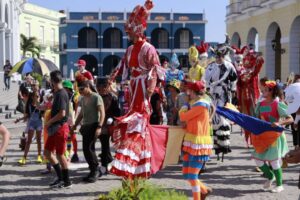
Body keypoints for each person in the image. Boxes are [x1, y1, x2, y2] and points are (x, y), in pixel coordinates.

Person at [109, 0, 168, 179]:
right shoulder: (129, 49)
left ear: (138, 31)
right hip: (134, 88)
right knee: (133, 119)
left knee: (139, 119)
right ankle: (134, 161)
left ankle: (135, 158)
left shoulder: (149, 48)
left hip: (142, 88)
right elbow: (122, 66)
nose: (128, 34)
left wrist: (151, 88)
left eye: (130, 31)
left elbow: (156, 69)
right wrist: (113, 78)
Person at [253, 80, 293, 193]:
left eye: (266, 90)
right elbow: (255, 118)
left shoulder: (278, 104)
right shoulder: (260, 104)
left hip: (275, 136)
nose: (263, 91)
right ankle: (270, 176)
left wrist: (279, 123)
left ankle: (280, 185)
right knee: (258, 160)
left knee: (274, 161)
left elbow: (290, 118)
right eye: (263, 90)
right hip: (262, 136)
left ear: (272, 91)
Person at [179, 80, 213, 200]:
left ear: (193, 91)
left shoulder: (201, 105)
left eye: (189, 90)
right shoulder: (196, 103)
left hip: (198, 144)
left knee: (192, 176)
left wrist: (183, 108)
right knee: (186, 174)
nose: (187, 93)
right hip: (191, 142)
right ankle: (203, 190)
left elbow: (183, 116)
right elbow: (193, 121)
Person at [205, 47, 237, 161]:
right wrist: (208, 89)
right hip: (213, 94)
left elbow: (234, 79)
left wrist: (232, 91)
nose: (218, 58)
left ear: (223, 56)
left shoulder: (229, 66)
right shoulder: (211, 66)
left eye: (220, 56)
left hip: (224, 94)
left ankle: (224, 143)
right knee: (214, 117)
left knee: (223, 117)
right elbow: (206, 79)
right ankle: (216, 144)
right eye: (217, 56)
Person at [71, 79, 105, 183]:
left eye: (82, 89)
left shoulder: (96, 97)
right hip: (85, 127)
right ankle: (92, 170)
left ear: (87, 86)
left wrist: (99, 127)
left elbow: (102, 113)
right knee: (86, 150)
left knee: (90, 149)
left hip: (94, 125)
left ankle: (96, 171)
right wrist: (74, 125)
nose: (80, 91)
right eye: (79, 89)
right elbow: (81, 114)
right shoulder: (82, 98)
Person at [44, 70, 71, 188]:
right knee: (47, 152)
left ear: (54, 81)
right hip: (55, 128)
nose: (49, 82)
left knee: (60, 155)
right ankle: (60, 178)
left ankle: (66, 181)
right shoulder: (58, 93)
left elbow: (62, 113)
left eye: (50, 80)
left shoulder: (61, 93)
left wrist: (49, 122)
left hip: (60, 128)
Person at [96, 77, 121, 175]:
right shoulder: (96, 97)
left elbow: (117, 112)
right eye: (98, 88)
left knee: (116, 146)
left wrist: (113, 119)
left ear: (107, 87)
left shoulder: (113, 98)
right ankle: (104, 166)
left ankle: (114, 163)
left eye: (103, 88)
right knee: (104, 146)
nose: (101, 90)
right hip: (101, 125)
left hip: (111, 125)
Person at [15, 89, 43, 165]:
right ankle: (24, 158)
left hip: (39, 123)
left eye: (38, 96)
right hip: (31, 123)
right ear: (33, 97)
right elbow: (27, 115)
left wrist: (38, 102)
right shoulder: (29, 105)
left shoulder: (41, 104)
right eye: (36, 96)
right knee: (28, 141)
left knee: (39, 140)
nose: (38, 97)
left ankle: (39, 156)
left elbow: (42, 111)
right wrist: (19, 119)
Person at [62, 80, 79, 163]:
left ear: (68, 88)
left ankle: (75, 153)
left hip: (71, 119)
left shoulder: (74, 96)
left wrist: (75, 119)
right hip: (65, 118)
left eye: (64, 88)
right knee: (67, 137)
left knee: (73, 137)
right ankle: (68, 152)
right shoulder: (62, 96)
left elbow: (76, 108)